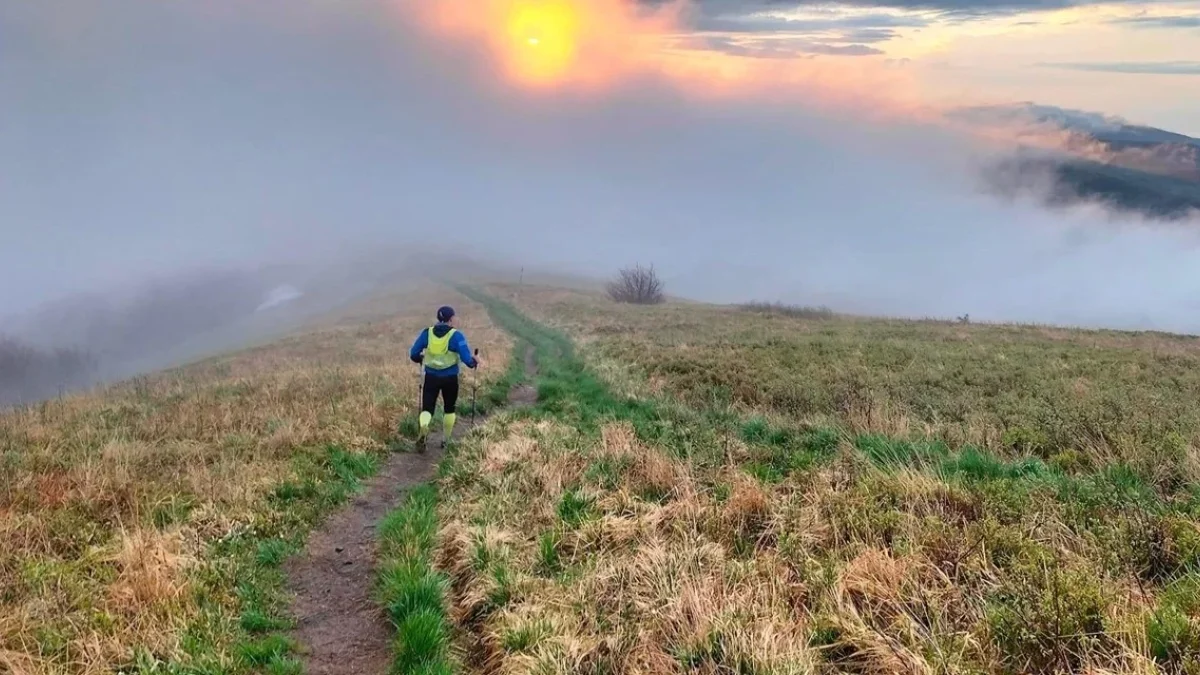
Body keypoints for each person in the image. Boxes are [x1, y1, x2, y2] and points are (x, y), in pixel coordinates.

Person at [409, 305, 480, 448]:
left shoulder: (427, 333)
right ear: (451, 319)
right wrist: (475, 361)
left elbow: (413, 354)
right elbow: (468, 360)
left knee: (427, 409)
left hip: (431, 377)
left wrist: (420, 358)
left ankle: (424, 427)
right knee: (449, 409)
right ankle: (446, 441)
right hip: (450, 379)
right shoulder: (456, 336)